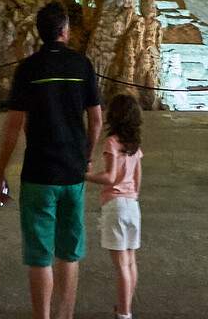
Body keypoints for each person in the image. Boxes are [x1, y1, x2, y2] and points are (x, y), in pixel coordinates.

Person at [0, 0, 103, 319]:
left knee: (40, 256)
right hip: (72, 174)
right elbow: (96, 120)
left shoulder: (28, 69)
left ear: (40, 33)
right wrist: (86, 157)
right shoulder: (81, 65)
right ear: (65, 31)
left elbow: (13, 126)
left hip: (39, 174)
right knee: (68, 253)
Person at [86, 91, 144, 319]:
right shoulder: (134, 145)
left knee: (120, 265)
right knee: (130, 261)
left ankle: (124, 313)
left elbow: (110, 178)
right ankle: (124, 307)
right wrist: (133, 196)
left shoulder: (112, 142)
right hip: (132, 205)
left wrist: (85, 176)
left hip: (115, 205)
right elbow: (137, 177)